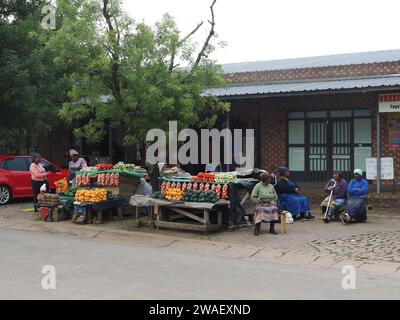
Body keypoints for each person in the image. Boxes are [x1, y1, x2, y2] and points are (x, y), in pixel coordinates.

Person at [251, 172, 279, 236]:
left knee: (274, 209)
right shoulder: (258, 186)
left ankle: (272, 229)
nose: (270, 180)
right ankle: (257, 228)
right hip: (261, 203)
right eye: (269, 179)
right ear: (265, 179)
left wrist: (272, 200)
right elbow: (253, 196)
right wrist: (257, 201)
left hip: (270, 203)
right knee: (261, 211)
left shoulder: (271, 186)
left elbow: (275, 197)